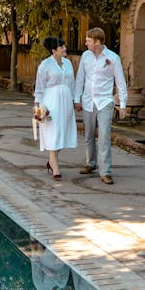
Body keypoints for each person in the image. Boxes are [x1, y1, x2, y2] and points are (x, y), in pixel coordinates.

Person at [74, 27, 127, 184]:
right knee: (89, 135)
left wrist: (122, 105)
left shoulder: (113, 58)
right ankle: (91, 163)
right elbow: (80, 79)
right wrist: (77, 98)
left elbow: (121, 83)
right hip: (88, 101)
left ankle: (105, 171)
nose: (86, 43)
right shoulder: (85, 56)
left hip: (105, 102)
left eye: (88, 41)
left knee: (104, 137)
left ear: (97, 42)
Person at [33, 36, 78, 179]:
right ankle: (55, 167)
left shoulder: (68, 63)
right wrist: (37, 105)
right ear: (54, 50)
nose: (65, 49)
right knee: (53, 131)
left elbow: (73, 83)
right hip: (51, 101)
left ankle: (51, 161)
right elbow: (39, 87)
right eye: (62, 47)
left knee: (62, 132)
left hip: (66, 102)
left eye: (64, 46)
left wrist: (74, 100)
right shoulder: (45, 65)